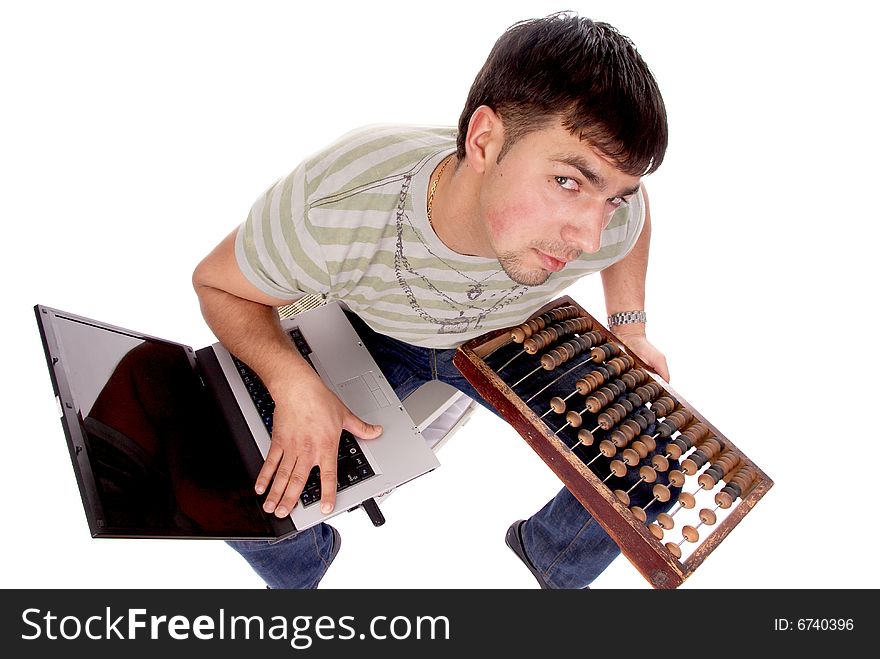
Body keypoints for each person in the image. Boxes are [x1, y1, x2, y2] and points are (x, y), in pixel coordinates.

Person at [192, 11, 673, 589]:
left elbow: (632, 225)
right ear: (484, 140)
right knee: (234, 486)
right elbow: (217, 283)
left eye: (611, 197)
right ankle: (307, 562)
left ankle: (551, 557)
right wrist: (292, 381)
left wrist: (630, 325)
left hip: (513, 334)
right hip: (371, 328)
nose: (589, 237)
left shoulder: (602, 224)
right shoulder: (341, 198)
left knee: (654, 470)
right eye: (568, 182)